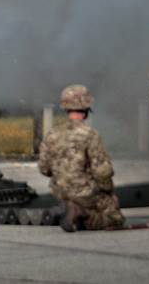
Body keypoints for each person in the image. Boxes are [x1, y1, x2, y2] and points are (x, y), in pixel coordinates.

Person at [39, 85, 125, 232]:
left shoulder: (52, 134)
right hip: (85, 192)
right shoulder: (90, 134)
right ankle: (82, 212)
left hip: (60, 192)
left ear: (65, 108)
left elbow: (44, 169)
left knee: (94, 207)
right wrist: (108, 193)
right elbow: (102, 172)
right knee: (115, 220)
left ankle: (76, 210)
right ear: (86, 108)